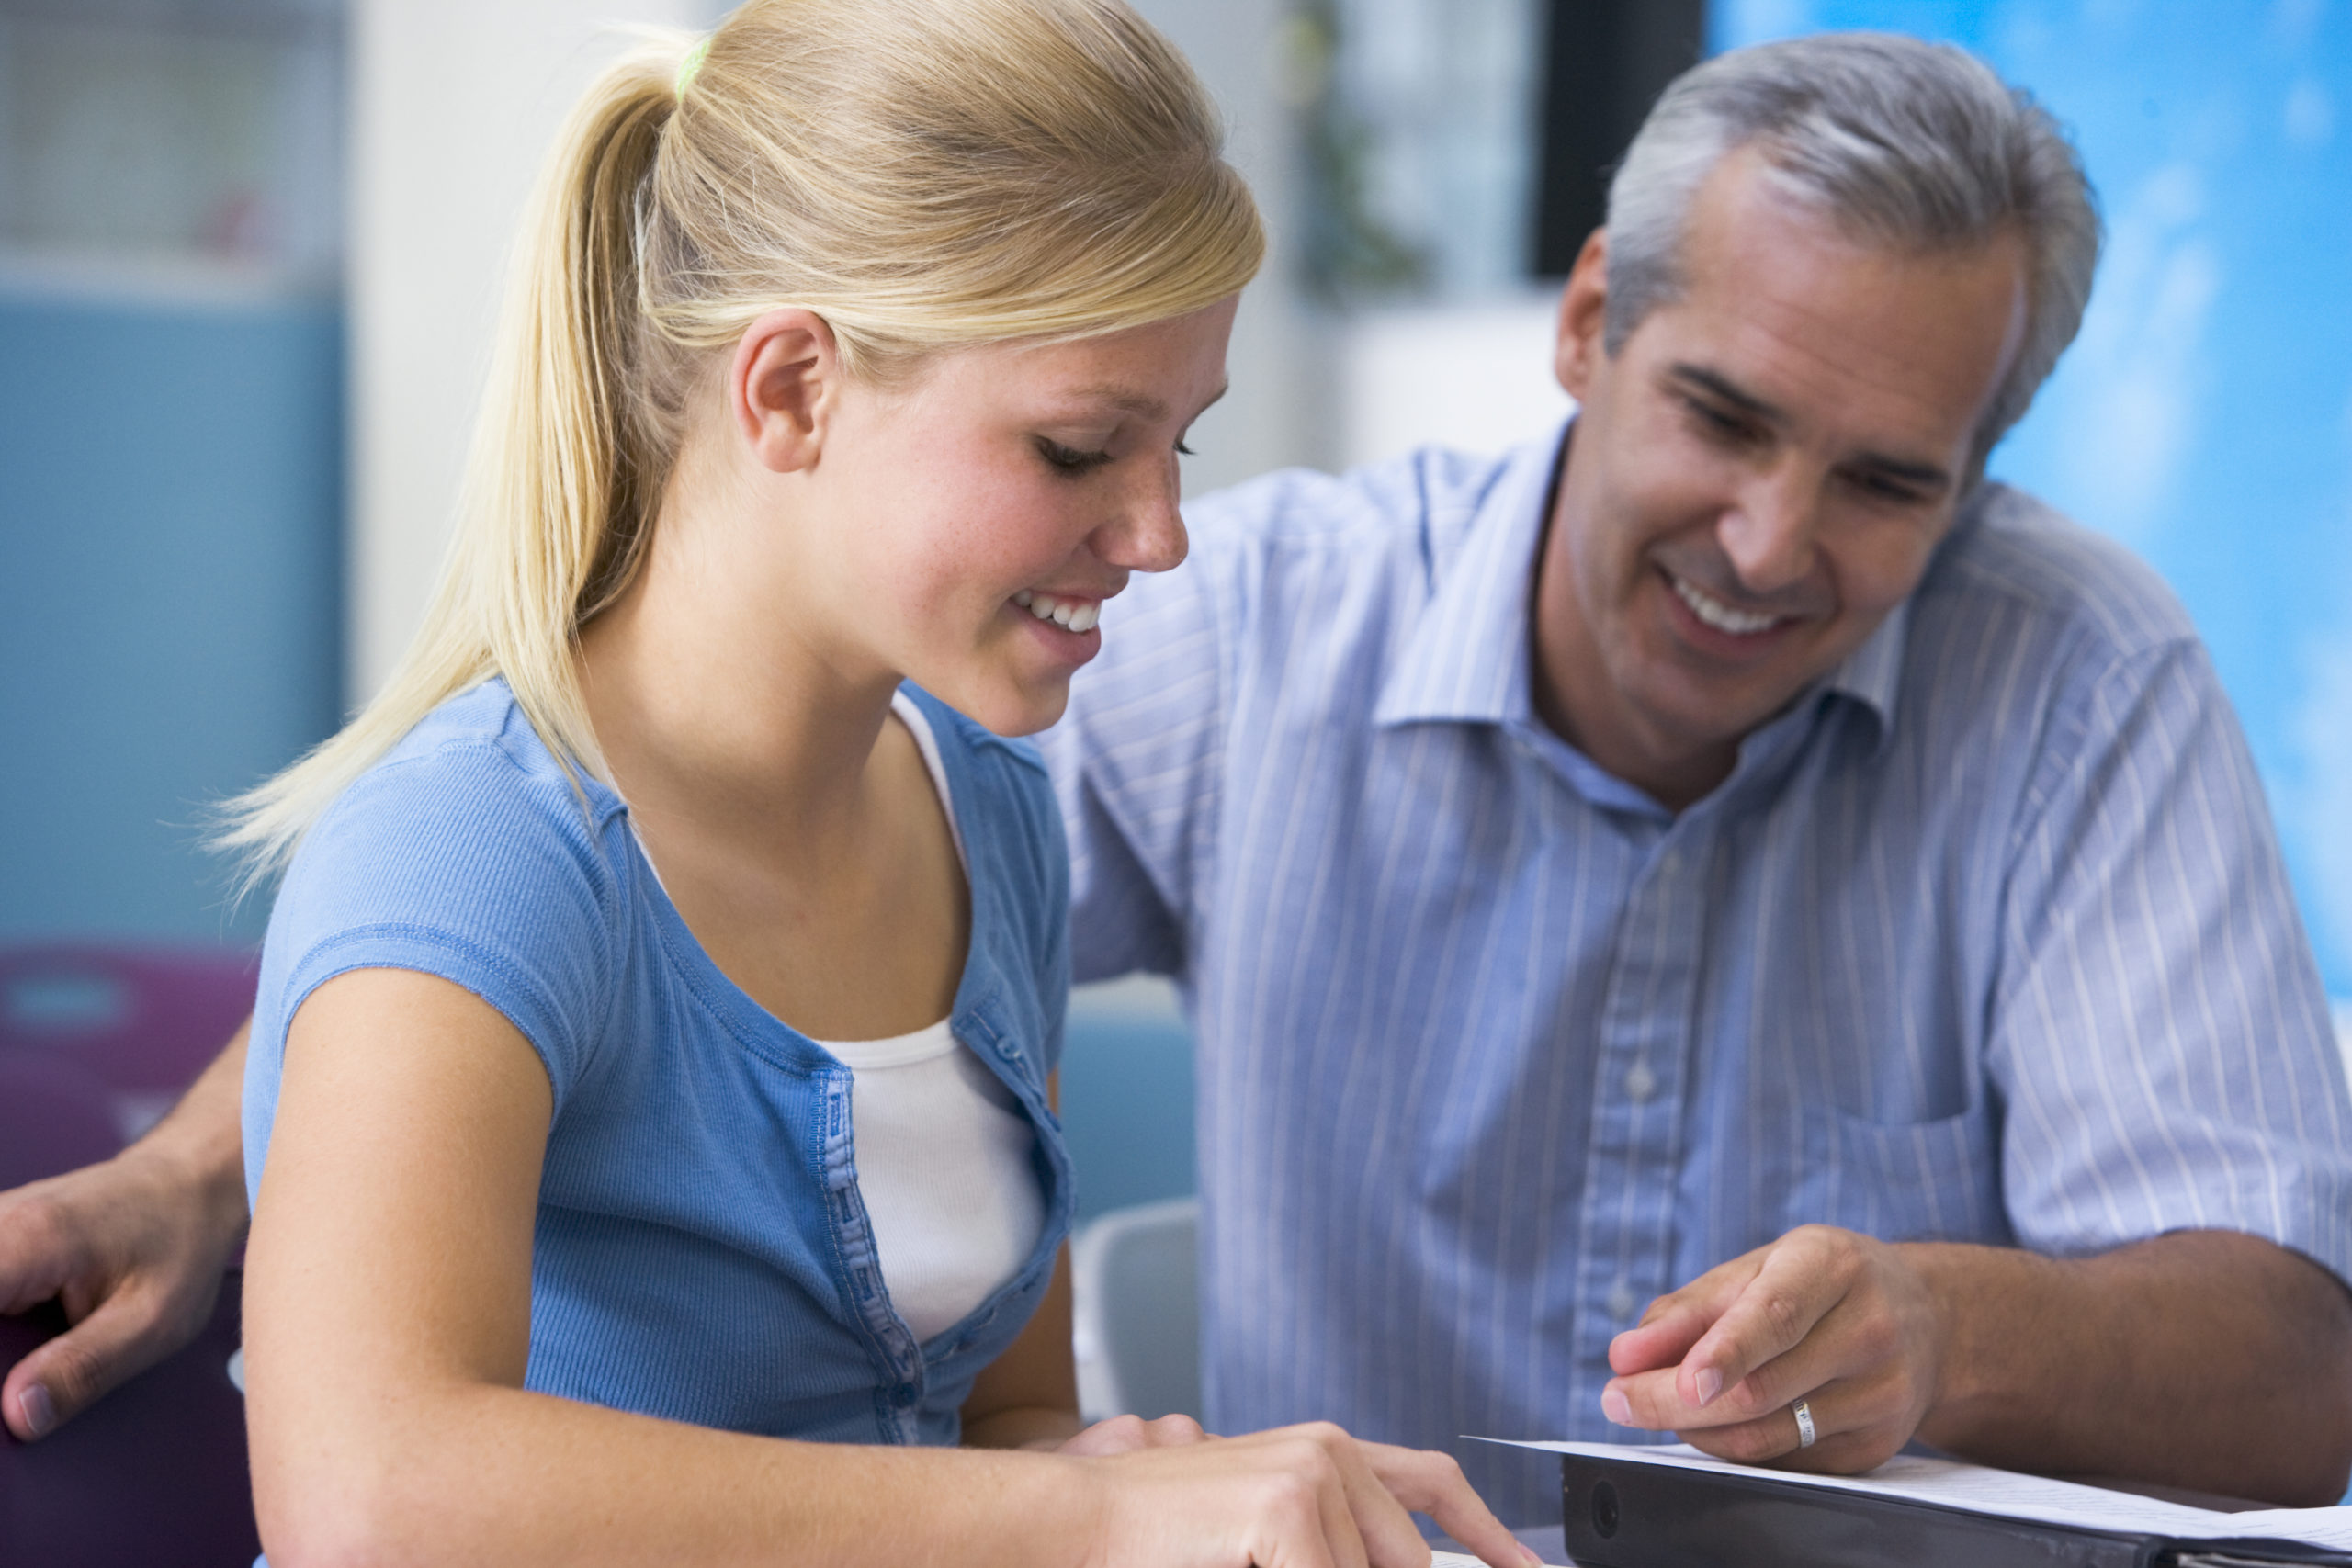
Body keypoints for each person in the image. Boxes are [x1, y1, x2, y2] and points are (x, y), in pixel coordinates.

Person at [6, 24, 2350, 1536]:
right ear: (1583, 330)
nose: (1768, 542)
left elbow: (2298, 1366)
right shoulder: (1195, 652)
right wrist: (233, 1163)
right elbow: (479, 973)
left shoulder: (984, 795)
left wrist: (1940, 1327)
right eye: (1722, 418)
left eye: (1884, 483)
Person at [0, 5, 1539, 1565]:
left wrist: (1157, 1499)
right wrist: (1078, 1514)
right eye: (1082, 449)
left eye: (1179, 452)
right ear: (791, 389)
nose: (1158, 538)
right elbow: (366, 1496)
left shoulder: (987, 811)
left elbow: (993, 1430)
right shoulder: (479, 843)